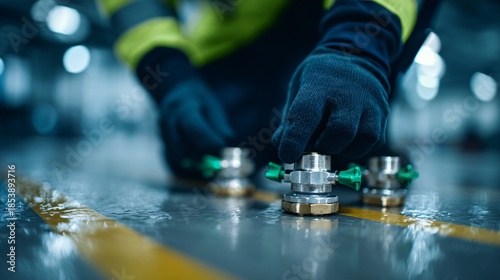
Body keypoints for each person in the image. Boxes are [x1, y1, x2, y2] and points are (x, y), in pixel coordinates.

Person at [98, 0, 421, 177]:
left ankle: (353, 117)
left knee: (342, 125)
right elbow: (133, 7)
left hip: (335, 19)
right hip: (240, 38)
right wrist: (173, 79)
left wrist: (357, 47)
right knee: (208, 138)